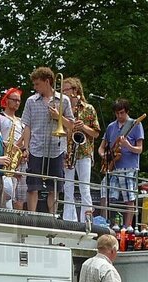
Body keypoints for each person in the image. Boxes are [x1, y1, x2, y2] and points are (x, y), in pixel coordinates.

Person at [21, 67, 74, 214]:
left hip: (56, 149)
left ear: (47, 82)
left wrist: (58, 117)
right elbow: (27, 126)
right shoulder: (31, 101)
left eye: (37, 84)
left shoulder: (64, 100)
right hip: (36, 148)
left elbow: (71, 125)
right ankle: (32, 216)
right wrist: (26, 148)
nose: (35, 87)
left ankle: (52, 218)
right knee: (33, 186)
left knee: (54, 188)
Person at [98, 99, 144, 227]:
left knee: (129, 197)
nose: (119, 116)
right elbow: (101, 148)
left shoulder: (135, 125)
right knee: (104, 192)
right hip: (113, 167)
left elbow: (139, 149)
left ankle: (127, 226)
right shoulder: (111, 127)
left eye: (122, 113)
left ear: (127, 111)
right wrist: (104, 156)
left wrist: (128, 146)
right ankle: (104, 222)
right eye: (117, 113)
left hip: (129, 167)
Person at [62, 77, 100, 222]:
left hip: (84, 151)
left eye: (66, 90)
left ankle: (87, 221)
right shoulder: (63, 109)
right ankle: (68, 220)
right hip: (67, 151)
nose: (64, 93)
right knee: (68, 187)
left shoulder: (88, 108)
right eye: (63, 90)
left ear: (75, 90)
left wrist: (82, 126)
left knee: (85, 187)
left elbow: (96, 133)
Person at [0, 87, 27, 210]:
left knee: (20, 197)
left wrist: (24, 150)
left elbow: (26, 139)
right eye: (14, 100)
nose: (17, 103)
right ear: (7, 100)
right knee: (5, 194)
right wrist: (11, 147)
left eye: (19, 101)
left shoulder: (21, 121)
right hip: (5, 158)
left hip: (19, 160)